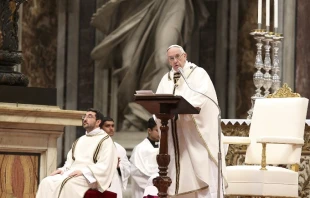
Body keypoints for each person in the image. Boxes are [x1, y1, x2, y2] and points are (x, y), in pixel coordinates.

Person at [90, 0, 209, 130]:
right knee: (128, 66)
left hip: (171, 2)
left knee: (163, 58)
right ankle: (135, 115)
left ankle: (153, 117)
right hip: (134, 5)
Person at [155, 45, 227, 198]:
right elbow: (157, 103)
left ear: (185, 56)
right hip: (175, 135)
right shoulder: (165, 79)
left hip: (194, 135)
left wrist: (181, 111)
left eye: (178, 56)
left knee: (201, 170)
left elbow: (201, 98)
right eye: (171, 58)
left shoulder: (198, 74)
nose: (175, 61)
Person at [36, 108, 118, 198]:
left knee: (67, 183)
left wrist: (83, 171)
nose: (85, 119)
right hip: (74, 172)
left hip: (91, 176)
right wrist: (63, 169)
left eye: (89, 116)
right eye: (84, 116)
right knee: (47, 181)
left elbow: (105, 165)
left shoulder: (105, 140)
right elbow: (70, 161)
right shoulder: (80, 140)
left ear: (98, 122)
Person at [130, 117, 160, 198]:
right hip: (143, 190)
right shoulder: (140, 149)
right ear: (149, 131)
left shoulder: (164, 147)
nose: (160, 133)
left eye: (161, 130)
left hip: (162, 189)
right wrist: (154, 182)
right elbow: (135, 171)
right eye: (157, 130)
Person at [101, 116, 131, 198]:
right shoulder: (95, 146)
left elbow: (127, 168)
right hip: (100, 184)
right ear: (101, 128)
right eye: (107, 126)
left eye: (112, 126)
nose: (111, 128)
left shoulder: (119, 148)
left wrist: (118, 167)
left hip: (114, 183)